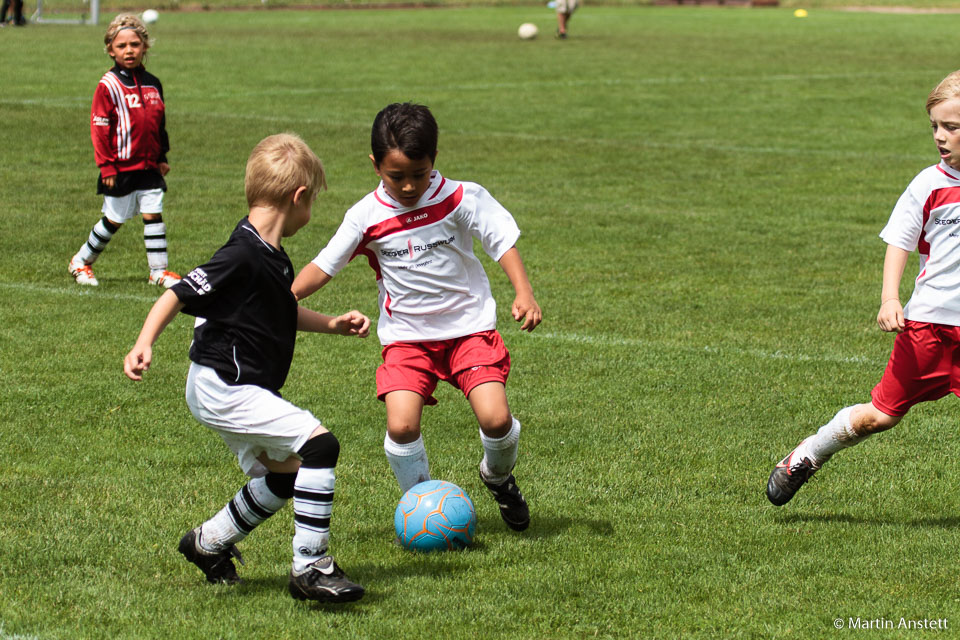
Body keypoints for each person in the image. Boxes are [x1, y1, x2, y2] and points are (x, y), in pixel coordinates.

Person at [123, 133, 371, 603]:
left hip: (230, 387)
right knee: (321, 446)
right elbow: (176, 293)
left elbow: (281, 311)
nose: (310, 210)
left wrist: (334, 324)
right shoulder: (241, 254)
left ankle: (207, 543)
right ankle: (311, 567)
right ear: (299, 198)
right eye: (312, 201)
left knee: (287, 474)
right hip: (225, 386)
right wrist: (143, 343)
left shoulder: (271, 257)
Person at [292, 102, 542, 532]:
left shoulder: (461, 196)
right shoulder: (365, 217)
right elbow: (323, 266)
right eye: (396, 176)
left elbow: (501, 239)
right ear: (375, 165)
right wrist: (280, 296)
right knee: (402, 424)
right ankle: (421, 503)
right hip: (407, 338)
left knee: (497, 420)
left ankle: (497, 478)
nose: (408, 187)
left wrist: (524, 292)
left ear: (434, 162)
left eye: (418, 174)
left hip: (469, 329)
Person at [767, 69, 960, 506]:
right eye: (935, 126)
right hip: (928, 327)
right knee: (880, 417)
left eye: (951, 126)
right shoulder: (928, 185)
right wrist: (890, 297)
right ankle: (808, 453)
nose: (939, 136)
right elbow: (900, 242)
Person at [69, 13, 180, 288]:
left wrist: (162, 156)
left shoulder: (154, 83)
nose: (129, 50)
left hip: (148, 166)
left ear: (145, 47)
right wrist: (106, 165)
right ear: (110, 49)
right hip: (120, 166)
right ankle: (81, 261)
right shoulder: (108, 85)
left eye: (135, 44)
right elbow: (100, 128)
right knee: (114, 219)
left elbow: (158, 123)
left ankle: (158, 271)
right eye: (122, 46)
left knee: (153, 213)